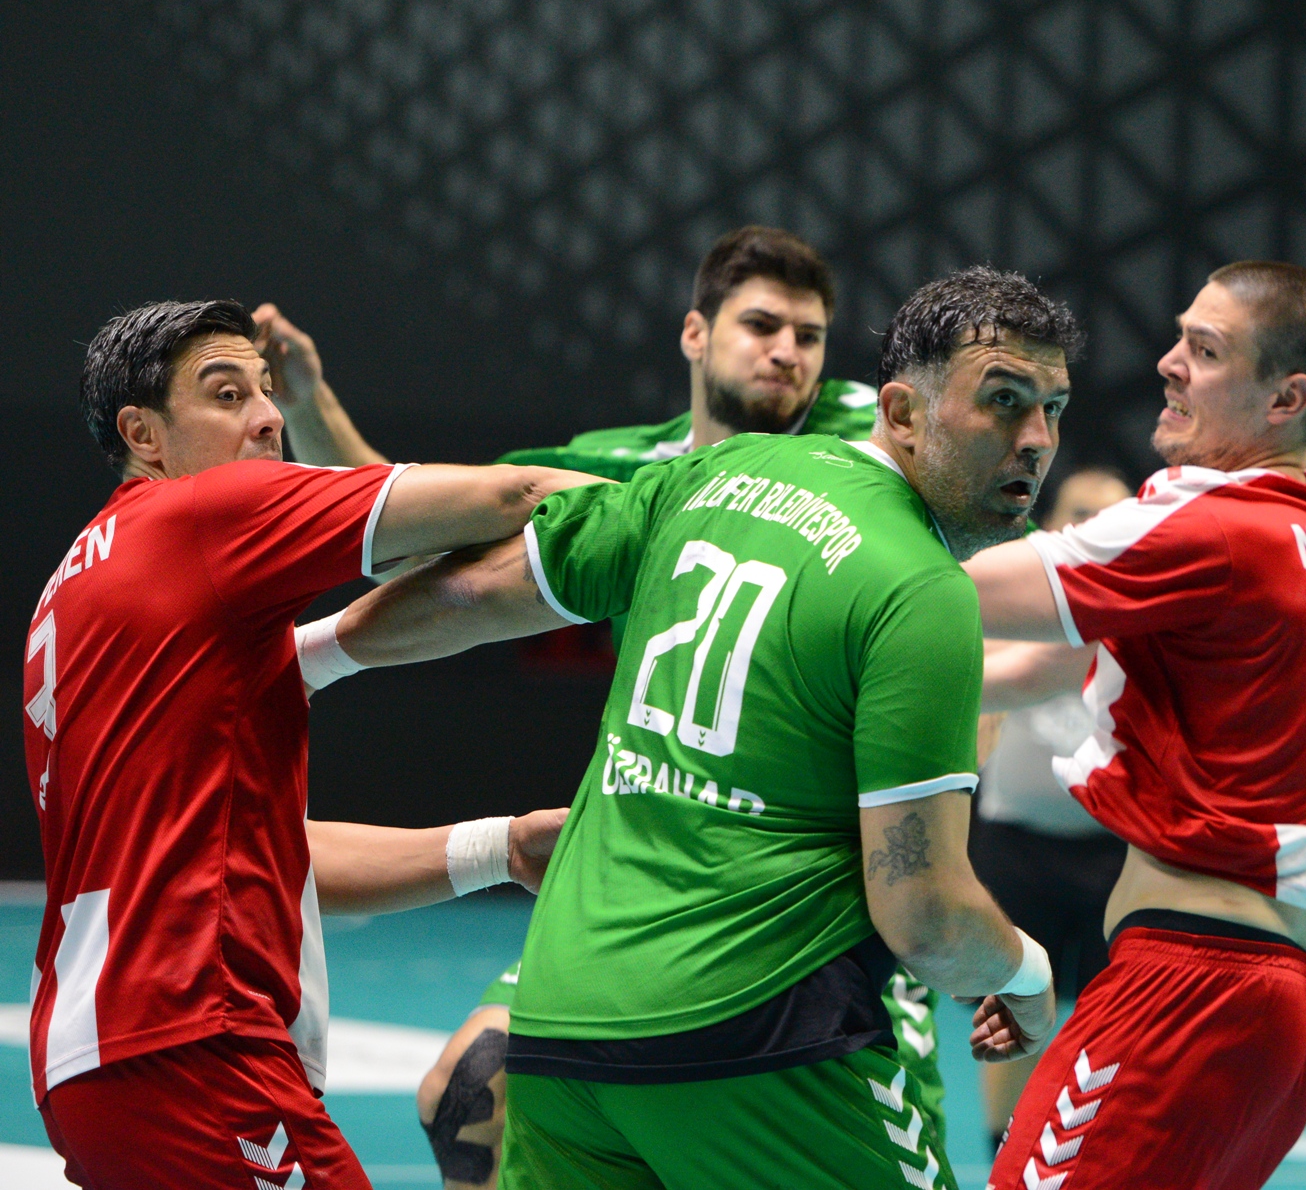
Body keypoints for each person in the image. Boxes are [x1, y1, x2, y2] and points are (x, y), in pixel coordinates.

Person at [308, 267, 1085, 1190]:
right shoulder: (922, 590)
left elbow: (482, 588)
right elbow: (924, 916)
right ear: (901, 412)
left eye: (1052, 409)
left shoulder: (713, 473)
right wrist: (1026, 973)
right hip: (760, 1035)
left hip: (563, 1026)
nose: (1035, 441)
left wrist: (306, 658)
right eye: (1003, 401)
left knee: (469, 1092)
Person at [24, 300, 599, 1188]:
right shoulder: (200, 514)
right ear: (143, 435)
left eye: (265, 390)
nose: (267, 417)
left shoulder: (77, 591)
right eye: (227, 395)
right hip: (195, 1041)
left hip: (97, 1065)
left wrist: (504, 847)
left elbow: (260, 854)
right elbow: (511, 497)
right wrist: (715, 509)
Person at [967, 260, 1306, 1190]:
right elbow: (1036, 669)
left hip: (1192, 982)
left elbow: (951, 591)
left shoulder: (1214, 522)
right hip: (1295, 997)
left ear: (1286, 399)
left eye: (1206, 350)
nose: (1169, 363)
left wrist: (825, 507)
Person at [967, 467, 1132, 1153]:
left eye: (1111, 517)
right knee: (1011, 1002)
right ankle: (1001, 1148)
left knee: (1112, 1019)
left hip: (1114, 853)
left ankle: (1088, 1152)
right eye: (1081, 513)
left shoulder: (1141, 619)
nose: (1094, 527)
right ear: (1055, 524)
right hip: (1017, 844)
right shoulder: (1009, 609)